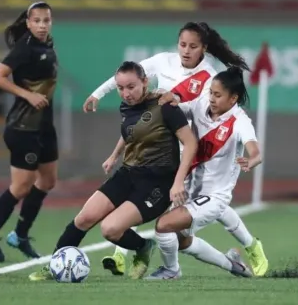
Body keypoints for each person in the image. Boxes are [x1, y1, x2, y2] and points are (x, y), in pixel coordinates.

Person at [84, 22, 268, 277]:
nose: (186, 51)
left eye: (193, 46)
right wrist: (98, 94)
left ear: (204, 48)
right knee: (154, 206)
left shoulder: (210, 78)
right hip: (162, 143)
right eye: (183, 45)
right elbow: (128, 79)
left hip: (189, 148)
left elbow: (201, 110)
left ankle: (248, 246)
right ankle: (122, 255)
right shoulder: (163, 62)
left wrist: (252, 158)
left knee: (187, 209)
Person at [28, 61, 198, 281]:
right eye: (120, 88)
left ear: (145, 81)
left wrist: (178, 182)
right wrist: (114, 155)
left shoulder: (165, 105)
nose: (125, 93)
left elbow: (191, 143)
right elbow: (132, 130)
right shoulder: (126, 106)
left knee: (110, 229)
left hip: (157, 182)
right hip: (128, 173)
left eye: (131, 86)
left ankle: (143, 247)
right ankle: (54, 266)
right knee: (84, 218)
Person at [145, 65, 262, 280]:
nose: (212, 99)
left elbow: (255, 151)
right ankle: (232, 265)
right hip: (190, 189)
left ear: (233, 98)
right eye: (211, 93)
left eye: (218, 95)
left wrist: (251, 160)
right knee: (181, 242)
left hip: (215, 197)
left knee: (164, 225)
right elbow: (177, 110)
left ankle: (171, 271)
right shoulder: (201, 105)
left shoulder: (240, 121)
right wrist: (163, 98)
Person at [0, 2, 58, 262]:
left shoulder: (47, 45)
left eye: (46, 20)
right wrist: (27, 95)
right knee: (20, 187)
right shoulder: (25, 47)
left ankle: (20, 234)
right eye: (37, 21)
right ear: (28, 23)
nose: (42, 25)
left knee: (48, 181)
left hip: (44, 126)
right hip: (23, 128)